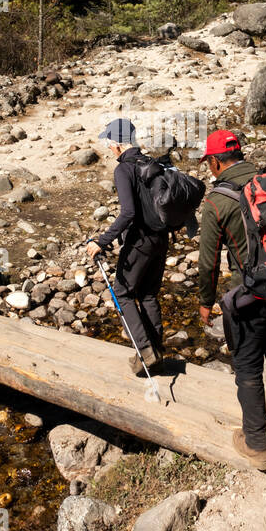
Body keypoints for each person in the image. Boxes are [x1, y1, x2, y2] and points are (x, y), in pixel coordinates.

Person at [196, 129, 266, 471]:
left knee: (247, 367)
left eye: (209, 164)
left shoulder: (216, 201)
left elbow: (208, 261)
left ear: (215, 162)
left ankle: (257, 444)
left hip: (250, 291)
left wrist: (205, 301)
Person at [85, 118, 168, 375]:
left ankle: (144, 350)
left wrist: (102, 240)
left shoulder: (124, 170)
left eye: (109, 144)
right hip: (161, 238)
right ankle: (157, 351)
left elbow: (128, 213)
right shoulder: (152, 164)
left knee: (122, 292)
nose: (109, 149)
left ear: (117, 145)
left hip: (140, 241)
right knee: (148, 295)